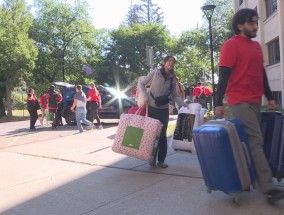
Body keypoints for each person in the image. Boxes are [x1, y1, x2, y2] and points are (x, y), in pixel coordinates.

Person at [215, 8, 284, 204]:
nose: (256, 26)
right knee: (256, 139)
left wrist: (270, 96)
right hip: (238, 100)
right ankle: (268, 188)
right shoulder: (230, 46)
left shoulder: (256, 47)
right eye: (252, 23)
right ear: (240, 26)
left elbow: (261, 73)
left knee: (250, 142)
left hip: (255, 100)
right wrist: (218, 102)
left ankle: (249, 178)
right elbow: (224, 76)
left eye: (256, 22)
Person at [139, 55, 188, 168]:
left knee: (162, 136)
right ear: (164, 62)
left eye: (173, 61)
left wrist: (184, 104)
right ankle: (152, 158)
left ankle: (161, 160)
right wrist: (145, 96)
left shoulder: (172, 78)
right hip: (152, 107)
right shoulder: (155, 73)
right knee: (152, 134)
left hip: (163, 109)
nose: (171, 63)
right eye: (169, 61)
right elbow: (142, 83)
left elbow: (174, 96)